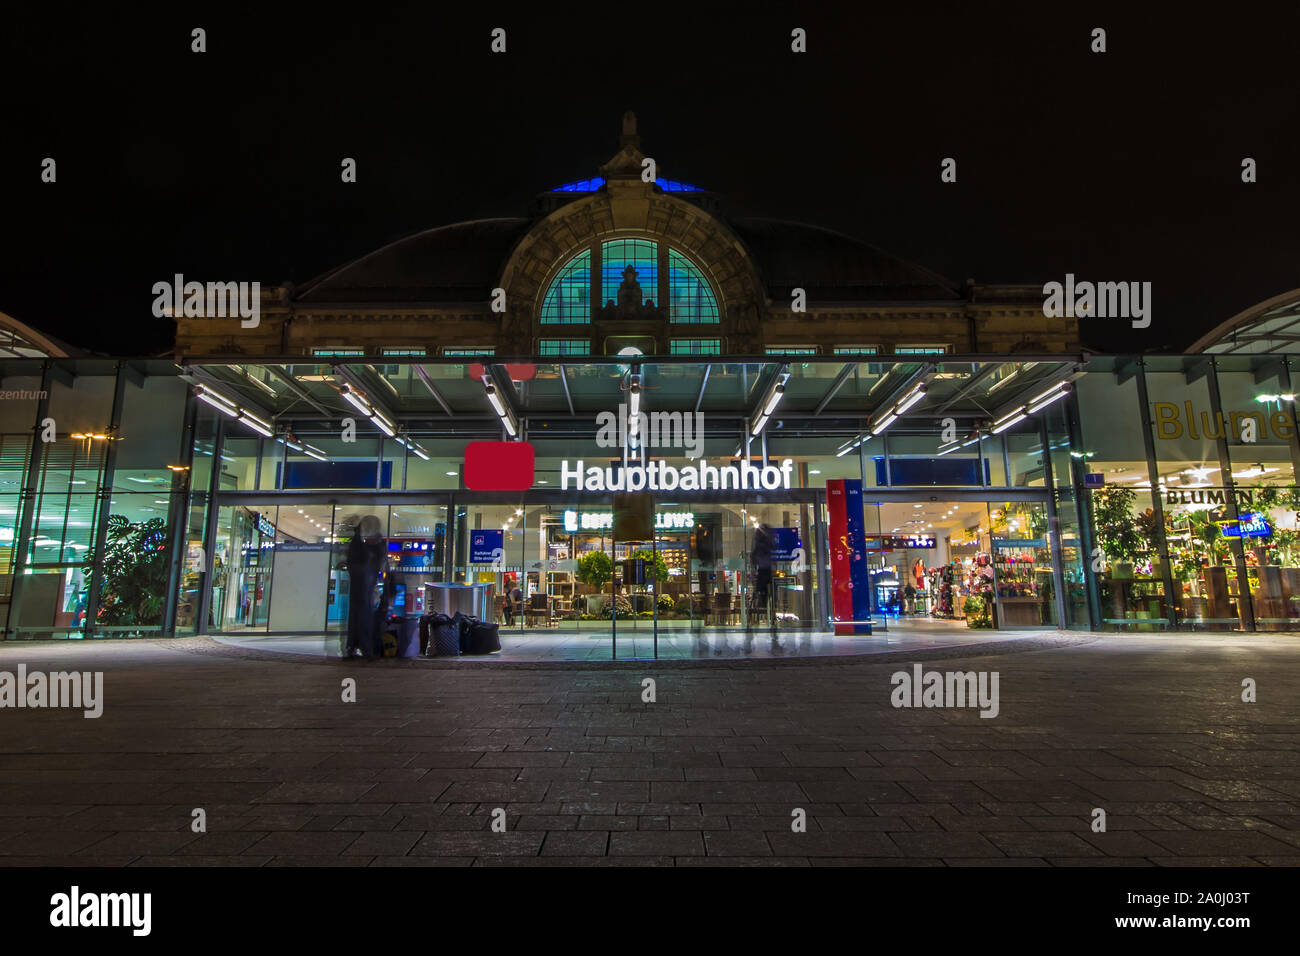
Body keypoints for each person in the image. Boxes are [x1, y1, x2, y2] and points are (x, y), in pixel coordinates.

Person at [749, 523, 775, 633]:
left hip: (763, 569)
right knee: (767, 594)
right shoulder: (768, 541)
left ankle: (755, 617)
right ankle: (769, 616)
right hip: (766, 569)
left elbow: (754, 555)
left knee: (760, 591)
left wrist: (754, 565)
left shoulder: (760, 543)